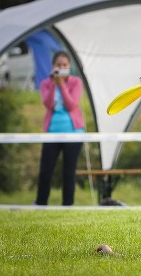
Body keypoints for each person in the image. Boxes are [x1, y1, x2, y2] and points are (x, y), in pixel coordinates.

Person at [34, 51, 85, 206]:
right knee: (45, 171)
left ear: (69, 66)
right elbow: (48, 104)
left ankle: (67, 206)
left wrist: (62, 85)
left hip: (73, 133)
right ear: (53, 66)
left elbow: (71, 105)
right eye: (58, 65)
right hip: (52, 133)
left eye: (64, 65)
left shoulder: (76, 82)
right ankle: (41, 204)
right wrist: (54, 84)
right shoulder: (45, 84)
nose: (61, 67)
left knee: (68, 173)